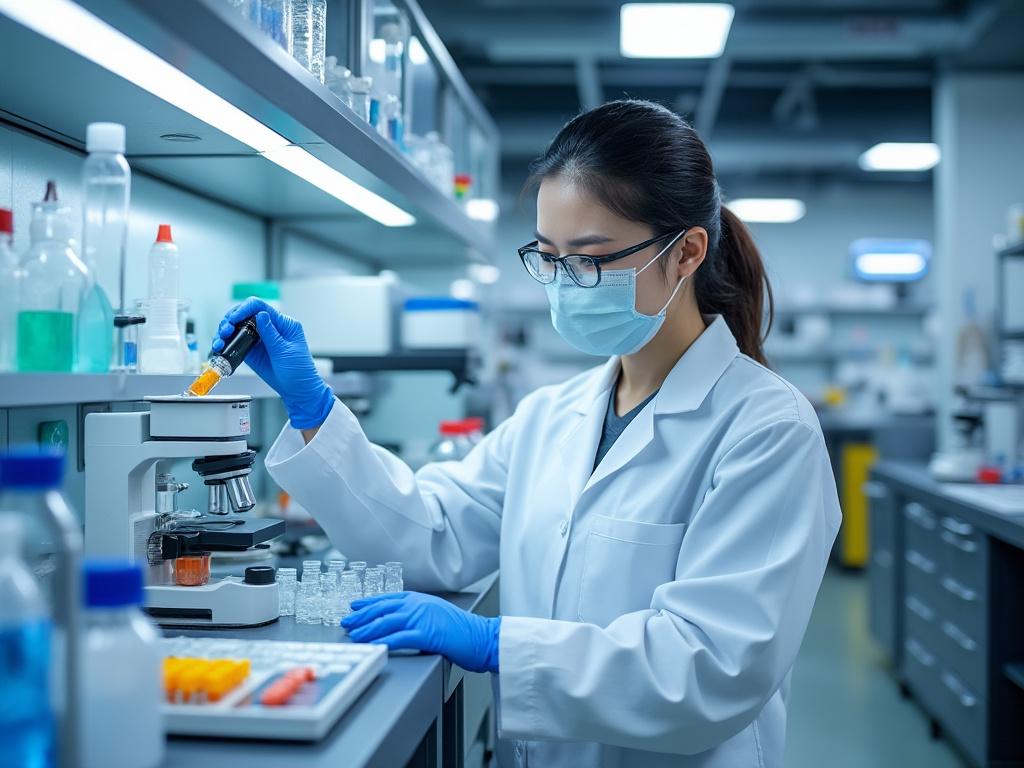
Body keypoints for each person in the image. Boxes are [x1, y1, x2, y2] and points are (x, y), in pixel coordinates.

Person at [213, 99, 841, 767]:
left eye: (590, 259)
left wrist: (497, 644)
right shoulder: (552, 416)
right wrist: (314, 411)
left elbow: (712, 668)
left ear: (686, 252)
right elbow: (434, 536)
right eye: (548, 257)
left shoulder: (767, 429)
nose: (565, 284)